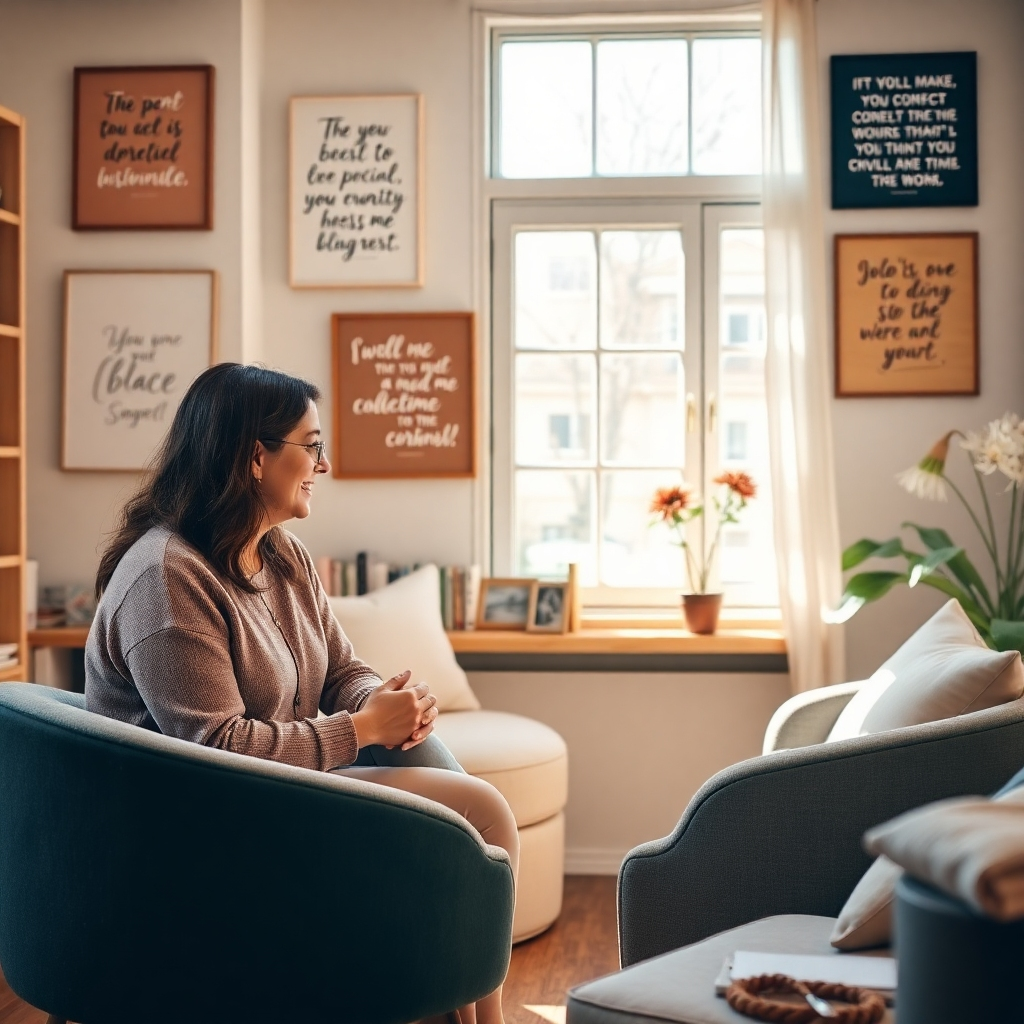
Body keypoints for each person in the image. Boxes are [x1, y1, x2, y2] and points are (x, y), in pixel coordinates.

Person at [86, 363, 518, 1024]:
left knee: (464, 817)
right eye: (311, 445)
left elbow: (342, 669)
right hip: (204, 824)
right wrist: (366, 729)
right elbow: (216, 747)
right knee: (479, 816)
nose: (324, 463)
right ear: (254, 458)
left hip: (275, 790)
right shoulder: (166, 575)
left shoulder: (281, 553)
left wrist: (390, 702)